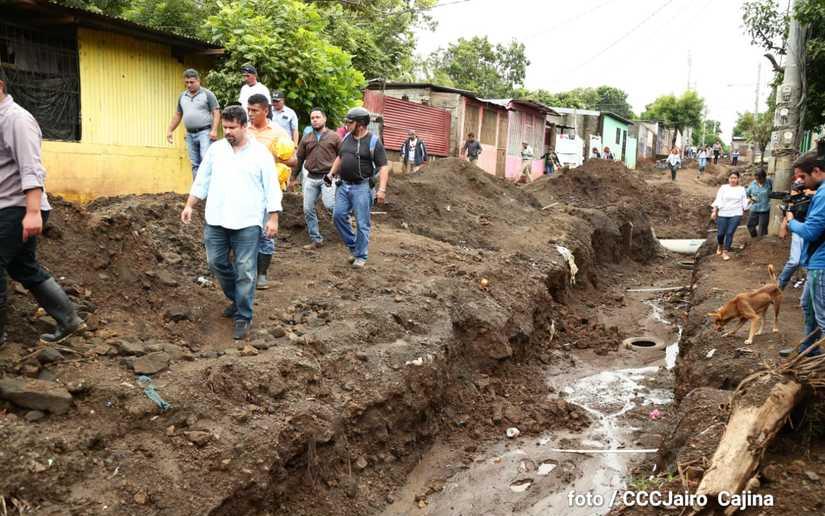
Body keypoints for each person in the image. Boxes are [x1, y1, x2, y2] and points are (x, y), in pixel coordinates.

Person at [180, 106, 281, 340]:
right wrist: (189, 205)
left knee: (246, 269)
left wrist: (273, 217)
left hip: (247, 221)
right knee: (216, 263)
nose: (228, 132)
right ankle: (238, 299)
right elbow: (202, 180)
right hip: (216, 218)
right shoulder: (216, 151)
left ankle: (243, 316)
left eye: (232, 127)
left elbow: (271, 188)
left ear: (245, 126)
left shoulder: (260, 154)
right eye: (225, 127)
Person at [0, 77, 86, 346]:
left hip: (18, 207)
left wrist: (34, 211)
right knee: (24, 268)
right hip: (10, 206)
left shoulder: (16, 119)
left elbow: (31, 167)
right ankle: (69, 320)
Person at [327, 107, 389, 269]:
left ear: (360, 124)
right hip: (343, 185)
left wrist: (381, 190)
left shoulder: (373, 142)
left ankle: (361, 256)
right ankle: (354, 246)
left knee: (362, 223)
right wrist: (331, 174)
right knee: (338, 216)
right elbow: (340, 157)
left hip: (362, 187)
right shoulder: (347, 137)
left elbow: (383, 166)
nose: (346, 124)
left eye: (350, 122)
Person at [246, 94, 296, 290]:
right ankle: (246, 269)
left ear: (265, 111)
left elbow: (293, 160)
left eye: (254, 110)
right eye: (248, 110)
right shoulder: (244, 130)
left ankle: (262, 274)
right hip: (245, 187)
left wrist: (278, 158)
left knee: (266, 232)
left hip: (268, 189)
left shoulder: (278, 133)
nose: (250, 114)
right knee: (246, 229)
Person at [783, 151, 825, 356]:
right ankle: (808, 349)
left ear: (816, 171)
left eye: (802, 177)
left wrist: (791, 221)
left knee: (823, 316)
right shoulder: (820, 193)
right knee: (807, 306)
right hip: (816, 261)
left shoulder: (824, 194)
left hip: (822, 265)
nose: (800, 182)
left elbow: (810, 231)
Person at [292, 108, 342, 250]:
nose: (314, 120)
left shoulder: (334, 136)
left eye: (317, 117)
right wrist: (293, 177)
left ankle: (346, 228)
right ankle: (316, 239)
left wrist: (340, 175)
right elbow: (300, 158)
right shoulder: (307, 138)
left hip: (328, 177)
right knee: (307, 209)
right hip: (311, 178)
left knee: (330, 206)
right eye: (312, 118)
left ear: (324, 119)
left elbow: (342, 156)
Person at [166, 69, 220, 180]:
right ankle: (197, 192)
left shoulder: (207, 94)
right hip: (190, 134)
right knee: (195, 164)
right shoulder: (182, 96)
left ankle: (209, 192)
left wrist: (214, 130)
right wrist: (170, 130)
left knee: (206, 161)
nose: (189, 85)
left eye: (192, 82)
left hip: (205, 133)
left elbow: (216, 112)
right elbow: (178, 114)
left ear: (198, 81)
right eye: (186, 82)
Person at [777, 174, 812, 289]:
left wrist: (810, 193)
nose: (797, 190)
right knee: (795, 261)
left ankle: (807, 286)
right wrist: (784, 225)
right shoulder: (793, 200)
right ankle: (779, 285)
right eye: (796, 188)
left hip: (812, 230)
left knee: (805, 262)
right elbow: (788, 212)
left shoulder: (814, 196)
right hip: (798, 228)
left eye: (800, 188)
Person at [711, 170, 749, 261]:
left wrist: (749, 202)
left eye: (735, 178)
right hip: (723, 213)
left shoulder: (741, 189)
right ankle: (720, 245)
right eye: (731, 178)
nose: (733, 180)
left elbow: (744, 204)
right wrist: (714, 211)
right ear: (728, 179)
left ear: (738, 179)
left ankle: (725, 252)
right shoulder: (723, 188)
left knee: (730, 232)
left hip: (736, 213)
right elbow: (718, 200)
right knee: (720, 234)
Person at [745, 169, 772, 237]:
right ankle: (755, 239)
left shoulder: (769, 182)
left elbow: (775, 192)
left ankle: (762, 243)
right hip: (754, 209)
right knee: (750, 225)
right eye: (757, 179)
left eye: (760, 179)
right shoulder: (753, 183)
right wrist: (751, 198)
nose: (759, 181)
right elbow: (746, 193)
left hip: (765, 209)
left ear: (764, 177)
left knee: (762, 229)